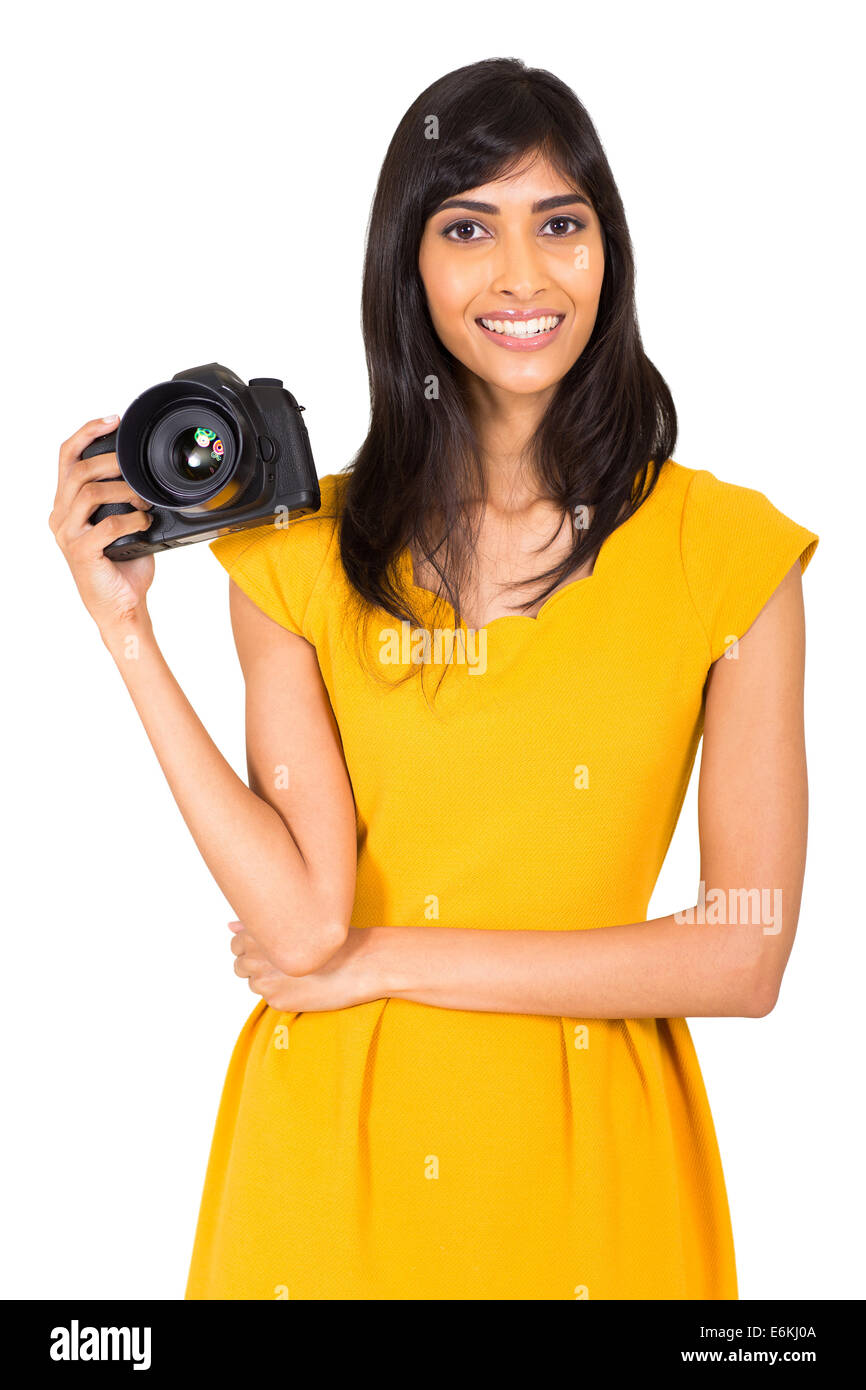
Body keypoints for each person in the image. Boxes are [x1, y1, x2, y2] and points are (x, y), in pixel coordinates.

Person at [50, 58, 819, 1300]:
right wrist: (125, 631)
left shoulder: (724, 556)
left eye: (558, 223)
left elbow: (742, 957)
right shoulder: (294, 554)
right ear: (407, 267)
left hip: (586, 1173)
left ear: (605, 255)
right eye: (468, 227)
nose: (521, 274)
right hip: (325, 1172)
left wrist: (383, 961)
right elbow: (302, 924)